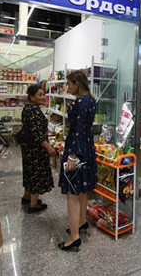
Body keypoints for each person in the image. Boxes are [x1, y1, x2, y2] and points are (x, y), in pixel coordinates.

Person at [58, 71, 97, 252]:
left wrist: (72, 155)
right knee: (82, 189)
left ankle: (74, 237)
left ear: (76, 84)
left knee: (72, 193)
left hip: (77, 148)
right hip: (87, 147)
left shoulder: (80, 101)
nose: (68, 87)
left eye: (69, 84)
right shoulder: (91, 100)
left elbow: (78, 130)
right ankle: (81, 222)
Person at [20, 84, 57, 214]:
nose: (43, 97)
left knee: (29, 171)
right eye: (40, 95)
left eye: (43, 94)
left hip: (28, 147)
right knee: (36, 173)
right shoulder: (33, 111)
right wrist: (49, 148)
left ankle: (27, 196)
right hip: (36, 148)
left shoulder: (28, 108)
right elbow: (37, 134)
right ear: (31, 96)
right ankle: (34, 204)